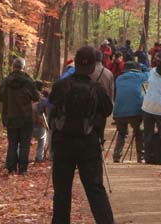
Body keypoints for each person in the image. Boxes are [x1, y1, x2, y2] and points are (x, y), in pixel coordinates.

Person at [49, 45, 114, 224]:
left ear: (75, 64)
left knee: (62, 192)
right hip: (89, 144)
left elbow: (52, 106)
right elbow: (108, 110)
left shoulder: (61, 85)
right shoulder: (97, 89)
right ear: (93, 66)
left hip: (63, 144)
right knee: (95, 190)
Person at [0, 56, 40, 175]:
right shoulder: (28, 81)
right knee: (25, 144)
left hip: (10, 116)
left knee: (12, 143)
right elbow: (36, 97)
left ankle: (11, 168)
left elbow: (0, 97)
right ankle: (23, 170)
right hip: (26, 117)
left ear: (13, 67)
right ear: (23, 67)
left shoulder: (6, 81)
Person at [112, 56, 149, 163]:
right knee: (139, 133)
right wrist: (143, 65)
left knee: (122, 133)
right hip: (136, 111)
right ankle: (141, 157)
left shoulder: (119, 78)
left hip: (119, 112)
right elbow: (149, 73)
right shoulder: (139, 76)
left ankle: (116, 156)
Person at [33, 83, 50, 163]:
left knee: (22, 141)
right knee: (42, 139)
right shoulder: (42, 99)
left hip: (27, 123)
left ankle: (19, 157)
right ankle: (39, 157)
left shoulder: (27, 95)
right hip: (38, 124)